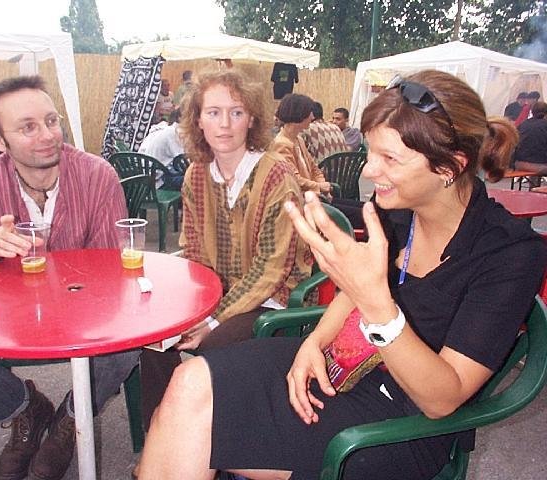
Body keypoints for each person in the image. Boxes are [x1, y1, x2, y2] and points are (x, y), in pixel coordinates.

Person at [137, 70, 546, 480]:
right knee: (187, 383)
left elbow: (442, 399)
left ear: (450, 166)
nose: (369, 170)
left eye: (390, 159)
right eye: (371, 152)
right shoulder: (399, 212)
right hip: (342, 366)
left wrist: (379, 308)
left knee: (189, 430)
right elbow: (354, 291)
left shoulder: (508, 253)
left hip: (401, 422)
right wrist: (314, 342)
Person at [0, 75, 141, 480]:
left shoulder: (97, 176)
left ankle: (70, 420)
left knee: (126, 347)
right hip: (8, 319)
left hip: (82, 313)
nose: (47, 135)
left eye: (51, 121)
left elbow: (113, 273)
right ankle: (26, 409)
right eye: (27, 127)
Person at [138, 69, 313, 439]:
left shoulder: (277, 177)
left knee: (213, 347)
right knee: (155, 340)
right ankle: (162, 437)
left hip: (273, 299)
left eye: (236, 112)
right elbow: (195, 253)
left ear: (252, 120)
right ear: (198, 120)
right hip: (218, 294)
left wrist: (212, 321)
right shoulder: (196, 175)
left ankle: (215, 444)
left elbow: (269, 271)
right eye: (213, 112)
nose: (224, 124)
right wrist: (187, 311)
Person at [269, 93, 332, 197]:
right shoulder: (281, 144)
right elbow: (294, 178)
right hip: (299, 199)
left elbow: (314, 168)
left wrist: (323, 186)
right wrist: (319, 186)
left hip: (313, 195)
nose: (313, 117)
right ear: (300, 113)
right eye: (310, 112)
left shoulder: (299, 139)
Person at [138, 108, 185, 189]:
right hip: (158, 181)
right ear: (180, 118)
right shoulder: (173, 132)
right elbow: (182, 161)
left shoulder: (165, 130)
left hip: (148, 175)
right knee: (194, 178)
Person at [513, 100, 547, 186]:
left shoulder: (523, 124)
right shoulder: (545, 125)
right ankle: (536, 190)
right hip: (541, 166)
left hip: (519, 164)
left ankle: (534, 189)